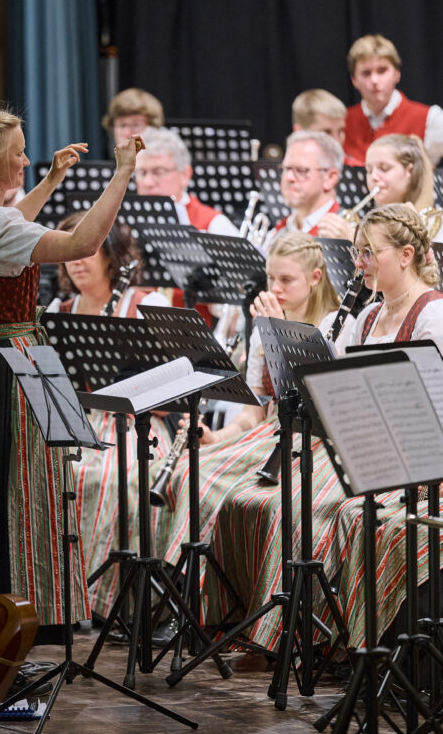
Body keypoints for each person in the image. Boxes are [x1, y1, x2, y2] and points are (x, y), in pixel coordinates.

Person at [0, 107, 144, 640]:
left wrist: (53, 180)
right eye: (19, 155)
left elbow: (13, 228)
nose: (28, 160)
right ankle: (19, 624)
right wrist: (121, 173)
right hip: (17, 364)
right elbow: (82, 244)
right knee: (20, 498)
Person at [209, 204, 443, 654]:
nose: (358, 264)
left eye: (370, 253)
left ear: (408, 254)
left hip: (409, 463)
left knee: (295, 516)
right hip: (360, 452)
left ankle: (313, 640)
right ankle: (264, 631)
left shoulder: (433, 315)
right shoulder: (365, 317)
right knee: (263, 501)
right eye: (357, 252)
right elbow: (319, 385)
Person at [157, 234, 342, 589]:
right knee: (188, 471)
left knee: (222, 487)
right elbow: (252, 412)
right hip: (267, 433)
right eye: (271, 278)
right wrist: (216, 437)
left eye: (286, 279)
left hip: (313, 440)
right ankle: (189, 591)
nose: (274, 287)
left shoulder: (334, 323)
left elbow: (317, 398)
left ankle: (205, 591)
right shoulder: (263, 324)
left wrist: (280, 332)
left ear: (316, 278)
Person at [47, 214, 173, 618]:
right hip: (76, 421)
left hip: (138, 424)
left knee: (114, 478)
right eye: (70, 250)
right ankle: (60, 596)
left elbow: (174, 388)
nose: (77, 260)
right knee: (51, 472)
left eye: (89, 248)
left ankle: (108, 602)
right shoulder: (59, 308)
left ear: (113, 255)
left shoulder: (146, 304)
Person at [343, 33, 443, 167]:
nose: (374, 80)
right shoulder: (342, 121)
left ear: (397, 74)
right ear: (354, 80)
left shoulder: (430, 118)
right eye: (366, 73)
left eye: (382, 70)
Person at [317, 133, 438, 240]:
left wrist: (353, 239)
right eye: (369, 170)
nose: (373, 176)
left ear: (409, 171)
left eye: (384, 168)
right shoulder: (366, 224)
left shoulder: (434, 224)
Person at [135, 127, 239, 235]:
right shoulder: (124, 220)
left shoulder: (214, 224)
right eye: (142, 173)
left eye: (158, 172)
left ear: (185, 175)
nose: (148, 182)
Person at [264, 131, 343, 248]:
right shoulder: (279, 231)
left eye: (301, 170)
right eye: (286, 168)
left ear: (330, 178)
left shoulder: (345, 232)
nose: (289, 178)